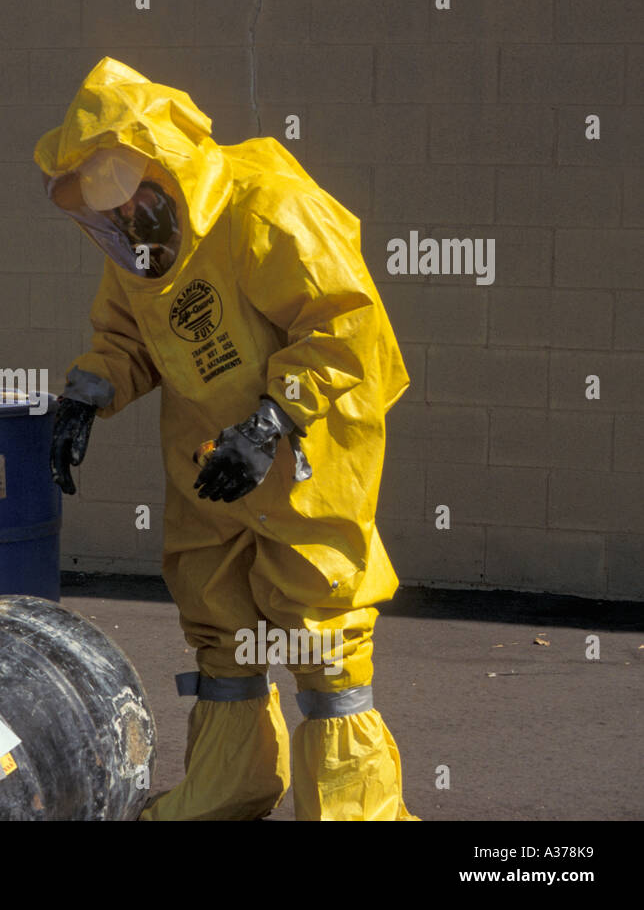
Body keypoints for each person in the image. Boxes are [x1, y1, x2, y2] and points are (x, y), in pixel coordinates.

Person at [40, 58, 416, 821]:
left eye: (131, 195)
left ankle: (354, 805)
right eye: (106, 208)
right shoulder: (139, 256)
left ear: (165, 166)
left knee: (322, 634)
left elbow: (348, 328)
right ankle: (231, 781)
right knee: (219, 620)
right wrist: (91, 389)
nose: (124, 221)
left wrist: (273, 419)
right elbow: (128, 339)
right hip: (209, 462)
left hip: (306, 454)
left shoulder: (266, 208)